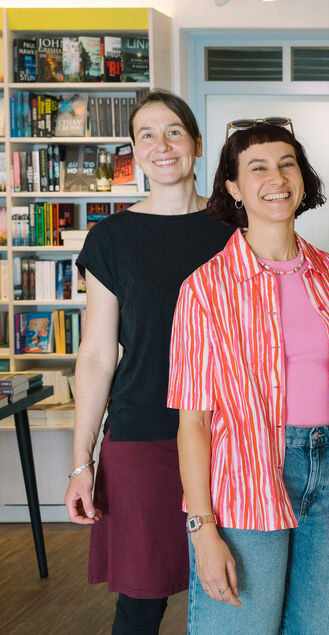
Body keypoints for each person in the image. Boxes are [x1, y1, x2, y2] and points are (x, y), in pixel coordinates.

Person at [167, 120, 329, 633]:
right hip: (245, 479)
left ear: (303, 178)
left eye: (287, 164)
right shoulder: (205, 289)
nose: (277, 178)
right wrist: (202, 529)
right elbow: (193, 422)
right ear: (233, 187)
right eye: (258, 167)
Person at [63, 90, 234, 634]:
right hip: (142, 435)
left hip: (231, 433)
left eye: (174, 132)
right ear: (134, 151)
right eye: (147, 135)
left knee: (236, 588)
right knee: (142, 599)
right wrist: (81, 462)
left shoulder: (237, 229)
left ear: (197, 144)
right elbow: (97, 355)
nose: (162, 145)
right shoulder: (111, 238)